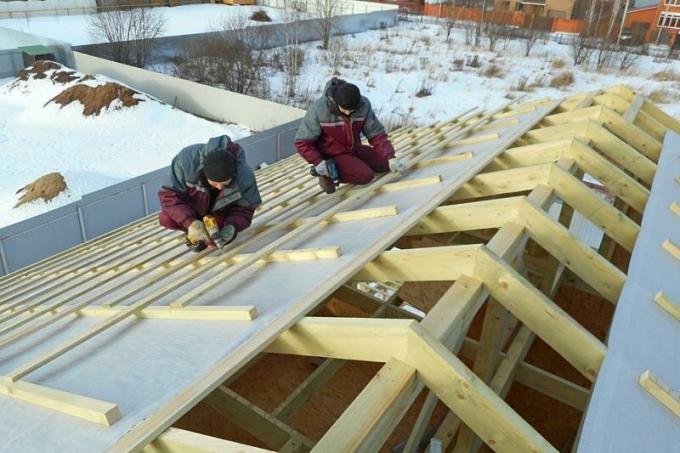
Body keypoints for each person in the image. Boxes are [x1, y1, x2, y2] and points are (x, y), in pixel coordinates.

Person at [294, 78, 407, 193]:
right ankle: (326, 174)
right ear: (337, 102)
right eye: (344, 110)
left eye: (351, 110)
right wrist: (319, 162)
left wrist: (390, 157)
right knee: (366, 176)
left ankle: (354, 165)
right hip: (332, 154)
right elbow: (302, 142)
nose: (348, 113)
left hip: (354, 148)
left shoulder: (363, 105)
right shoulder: (319, 109)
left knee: (385, 164)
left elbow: (376, 133)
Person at [158, 135, 261, 252]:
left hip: (220, 211)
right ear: (205, 174)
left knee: (214, 240)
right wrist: (190, 222)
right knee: (166, 218)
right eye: (215, 183)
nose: (220, 187)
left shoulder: (244, 177)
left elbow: (246, 208)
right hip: (194, 206)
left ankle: (204, 235)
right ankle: (194, 231)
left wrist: (233, 225)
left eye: (225, 183)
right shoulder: (185, 163)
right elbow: (168, 195)